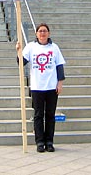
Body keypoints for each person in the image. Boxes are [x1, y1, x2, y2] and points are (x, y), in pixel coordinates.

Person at [16, 23, 65, 153]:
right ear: (36, 34)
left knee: (50, 115)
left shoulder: (54, 48)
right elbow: (21, 62)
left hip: (51, 86)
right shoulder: (31, 47)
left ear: (48, 33)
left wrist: (60, 83)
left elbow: (59, 66)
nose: (42, 33)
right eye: (40, 31)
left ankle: (49, 141)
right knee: (38, 115)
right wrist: (19, 51)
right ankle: (39, 142)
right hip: (37, 87)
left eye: (45, 31)